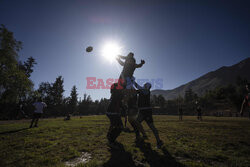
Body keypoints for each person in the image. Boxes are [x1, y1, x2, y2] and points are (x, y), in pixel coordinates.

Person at [134, 82, 163, 149]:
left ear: (147, 86)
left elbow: (138, 87)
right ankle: (142, 136)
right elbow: (135, 90)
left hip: (146, 112)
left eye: (144, 85)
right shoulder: (142, 91)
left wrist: (132, 80)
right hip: (142, 111)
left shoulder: (146, 91)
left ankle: (158, 141)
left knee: (152, 127)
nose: (143, 85)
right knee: (137, 122)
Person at [106, 83, 124, 148]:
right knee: (120, 127)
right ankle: (111, 141)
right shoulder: (117, 94)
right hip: (113, 113)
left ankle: (109, 136)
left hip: (112, 112)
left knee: (113, 125)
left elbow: (119, 103)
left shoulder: (115, 94)